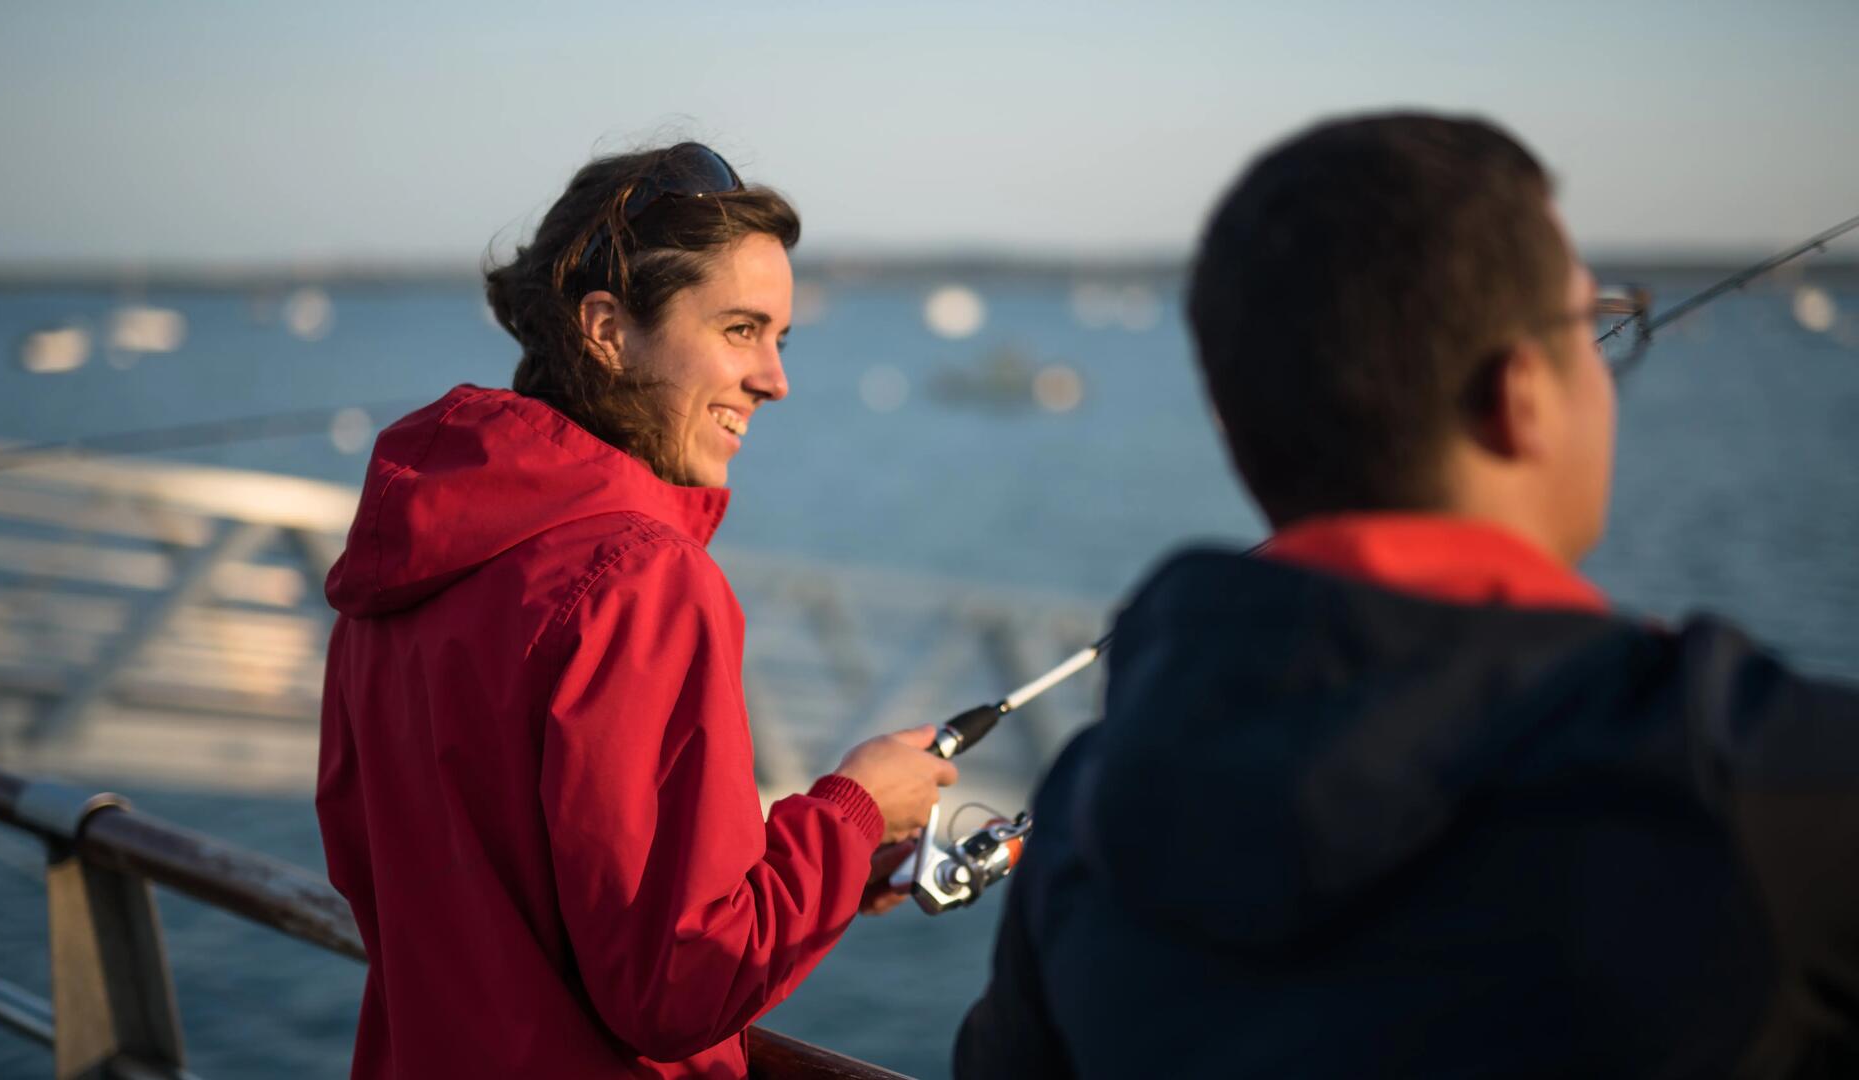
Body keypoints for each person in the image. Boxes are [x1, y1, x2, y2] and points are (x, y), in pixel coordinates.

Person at [955, 113, 1859, 1078]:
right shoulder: (1767, 790)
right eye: (1594, 326)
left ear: (1231, 419)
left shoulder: (1084, 823)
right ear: (1521, 396)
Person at [315, 142, 957, 1079]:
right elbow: (678, 982)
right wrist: (856, 811)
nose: (775, 379)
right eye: (741, 330)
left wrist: (829, 873)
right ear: (607, 330)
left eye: (781, 338)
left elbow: (420, 879)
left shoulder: (397, 559)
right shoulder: (641, 579)